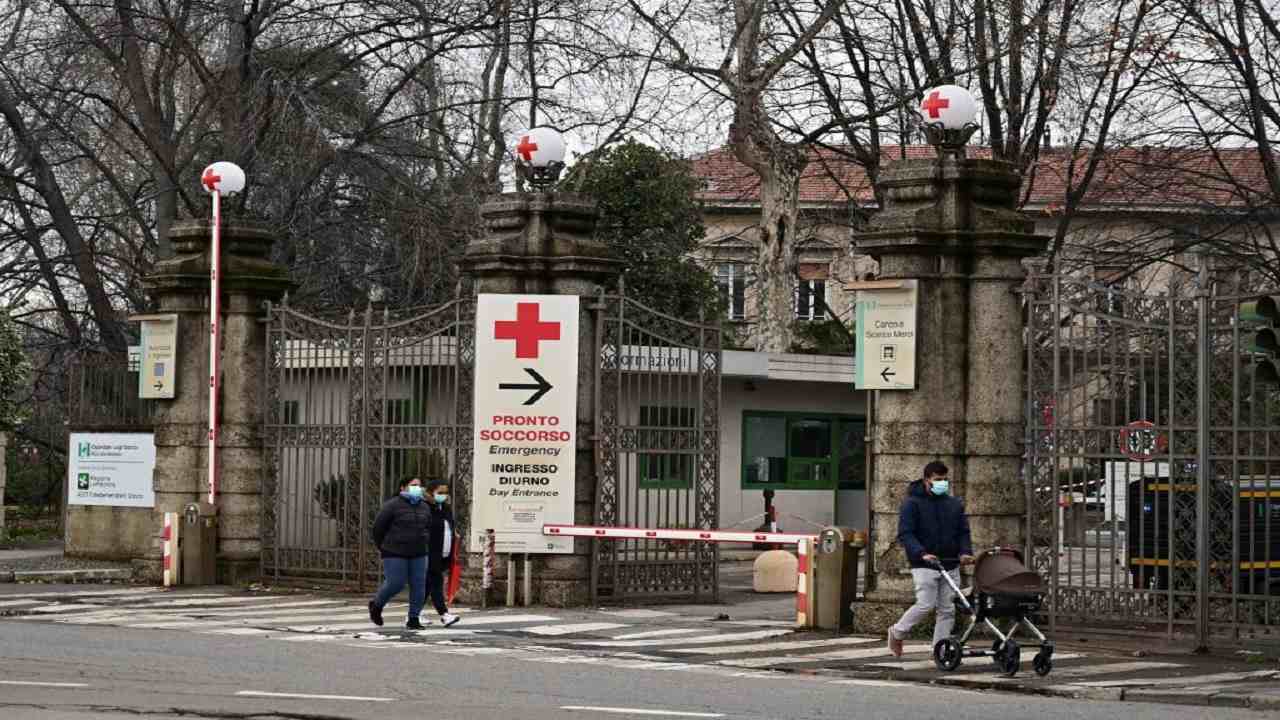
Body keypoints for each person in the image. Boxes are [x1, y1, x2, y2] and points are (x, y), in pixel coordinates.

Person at [887, 460, 975, 656]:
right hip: (924, 562)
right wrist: (921, 553)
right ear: (927, 480)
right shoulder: (912, 504)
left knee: (947, 609)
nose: (942, 483)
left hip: (950, 562)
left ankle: (940, 649)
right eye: (937, 479)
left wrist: (965, 552)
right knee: (926, 604)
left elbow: (963, 531)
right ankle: (897, 631)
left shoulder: (954, 504)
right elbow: (906, 533)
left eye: (945, 479)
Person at [368, 477, 431, 630]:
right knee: (396, 583)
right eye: (413, 485)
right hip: (394, 551)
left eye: (419, 485)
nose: (418, 488)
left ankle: (414, 618)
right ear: (402, 488)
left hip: (419, 552)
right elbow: (378, 528)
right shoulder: (392, 505)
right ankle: (376, 605)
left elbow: (428, 527)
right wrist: (383, 547)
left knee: (419, 585)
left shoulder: (424, 507)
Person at [424, 480, 461, 627]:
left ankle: (414, 614)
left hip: (444, 553)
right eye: (440, 492)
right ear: (431, 492)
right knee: (436, 582)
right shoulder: (425, 508)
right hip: (430, 552)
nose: (443, 495)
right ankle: (444, 614)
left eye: (446, 492)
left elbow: (449, 526)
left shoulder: (445, 508)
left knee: (428, 584)